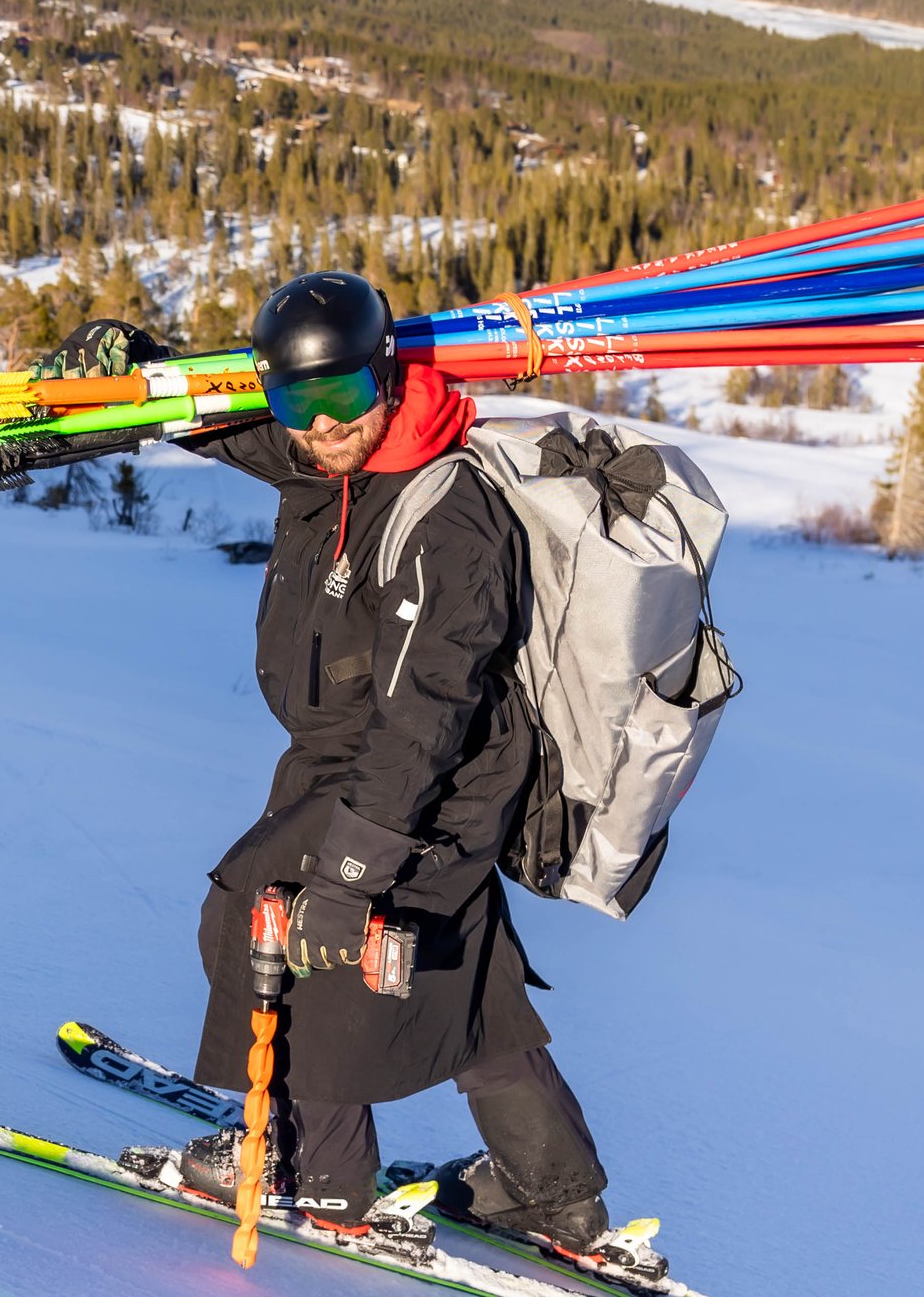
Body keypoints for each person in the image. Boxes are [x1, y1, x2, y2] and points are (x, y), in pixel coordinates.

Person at [83, 274, 664, 1286]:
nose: (320, 428)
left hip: (421, 774)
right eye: (296, 404)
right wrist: (150, 364)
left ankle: (314, 1171)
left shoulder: (451, 514)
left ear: (387, 374)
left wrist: (349, 869)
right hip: (370, 760)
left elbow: (425, 711)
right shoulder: (330, 448)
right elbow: (231, 427)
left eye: (343, 398)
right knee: (452, 962)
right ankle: (550, 1188)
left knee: (272, 917)